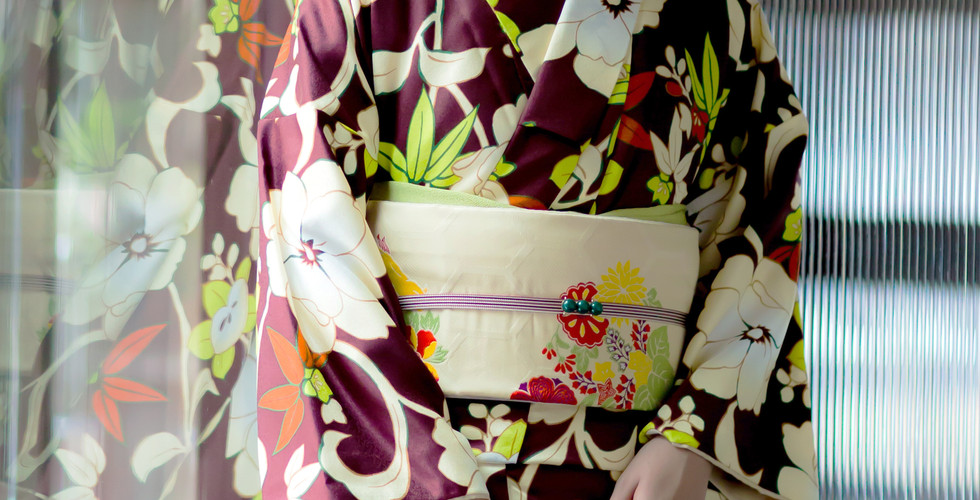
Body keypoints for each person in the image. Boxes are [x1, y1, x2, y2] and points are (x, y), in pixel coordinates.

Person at [256, 0, 816, 498]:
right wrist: (422, 474)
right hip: (422, 440)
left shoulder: (720, 10)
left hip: (638, 464)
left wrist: (692, 434)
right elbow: (309, 215)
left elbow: (758, 202)